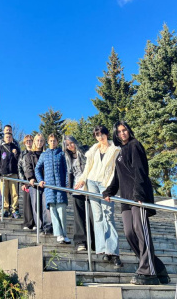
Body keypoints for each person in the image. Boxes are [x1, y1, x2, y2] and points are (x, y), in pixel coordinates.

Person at [103, 121, 170, 285]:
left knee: (141, 232)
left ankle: (148, 272)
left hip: (137, 197)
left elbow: (140, 170)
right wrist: (109, 191)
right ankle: (158, 268)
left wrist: (139, 194)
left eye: (124, 130)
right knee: (129, 233)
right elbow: (118, 177)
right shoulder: (120, 152)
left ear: (129, 131)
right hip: (125, 200)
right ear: (116, 135)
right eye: (118, 132)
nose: (122, 133)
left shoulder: (135, 145)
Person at [75, 126, 122, 268]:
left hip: (106, 184)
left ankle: (113, 252)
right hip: (92, 183)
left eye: (101, 134)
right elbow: (88, 167)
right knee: (98, 216)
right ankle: (102, 250)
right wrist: (82, 180)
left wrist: (111, 189)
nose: (100, 137)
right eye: (97, 135)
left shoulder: (115, 149)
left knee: (108, 215)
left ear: (107, 134)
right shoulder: (93, 150)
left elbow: (116, 170)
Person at [35, 134, 70, 244]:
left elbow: (67, 170)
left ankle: (64, 234)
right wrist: (40, 180)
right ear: (48, 142)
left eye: (54, 141)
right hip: (49, 188)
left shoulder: (61, 154)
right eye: (50, 141)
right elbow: (37, 168)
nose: (52, 142)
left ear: (57, 142)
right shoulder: (44, 155)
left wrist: (67, 184)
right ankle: (59, 234)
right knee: (53, 212)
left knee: (61, 211)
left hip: (60, 187)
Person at [64, 135, 95, 252]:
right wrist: (70, 188)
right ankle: (80, 242)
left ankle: (94, 242)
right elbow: (70, 173)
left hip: (89, 187)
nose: (70, 146)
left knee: (92, 216)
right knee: (79, 217)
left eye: (71, 143)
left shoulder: (85, 150)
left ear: (75, 142)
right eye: (67, 145)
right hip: (77, 189)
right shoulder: (68, 157)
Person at [26, 134, 52, 235]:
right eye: (37, 140)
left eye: (41, 141)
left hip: (46, 183)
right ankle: (39, 226)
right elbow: (28, 167)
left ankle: (48, 226)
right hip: (34, 183)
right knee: (36, 204)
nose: (39, 143)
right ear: (34, 142)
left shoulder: (47, 154)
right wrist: (31, 178)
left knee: (46, 205)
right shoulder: (29, 155)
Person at [0, 132, 20, 218]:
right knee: (4, 193)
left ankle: (14, 210)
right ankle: (5, 209)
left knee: (14, 193)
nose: (8, 138)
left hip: (13, 173)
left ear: (12, 138)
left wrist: (16, 154)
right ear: (4, 138)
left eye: (10, 137)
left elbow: (19, 161)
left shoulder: (15, 148)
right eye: (7, 137)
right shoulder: (0, 148)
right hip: (3, 174)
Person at [19, 135, 35, 230]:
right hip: (26, 181)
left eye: (30, 140)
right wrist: (23, 182)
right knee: (27, 202)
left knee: (35, 202)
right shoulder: (22, 154)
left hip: (35, 181)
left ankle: (35, 223)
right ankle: (27, 223)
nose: (29, 142)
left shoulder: (36, 152)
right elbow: (19, 168)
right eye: (27, 141)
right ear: (24, 143)